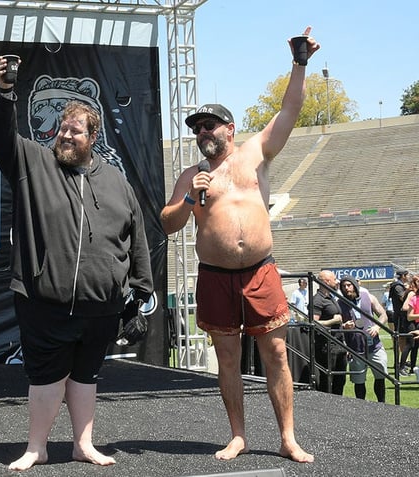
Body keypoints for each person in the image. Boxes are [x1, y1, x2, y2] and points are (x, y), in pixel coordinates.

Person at [159, 28, 318, 463]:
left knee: (277, 354)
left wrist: (299, 63)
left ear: (229, 128)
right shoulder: (191, 176)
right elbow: (167, 222)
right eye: (196, 128)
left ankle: (287, 437)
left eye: (209, 125)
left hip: (260, 272)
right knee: (227, 359)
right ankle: (238, 435)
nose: (202, 132)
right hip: (215, 277)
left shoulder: (255, 154)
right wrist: (191, 198)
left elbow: (290, 108)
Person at [0, 56, 154, 471]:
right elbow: (0, 138)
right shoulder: (33, 162)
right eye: (62, 129)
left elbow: (137, 239)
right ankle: (36, 447)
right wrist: (6, 94)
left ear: (92, 136)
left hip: (103, 304)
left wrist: (143, 291)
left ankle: (84, 445)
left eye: (74, 131)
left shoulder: (117, 182)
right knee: (45, 377)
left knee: (85, 377)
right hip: (45, 299)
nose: (64, 135)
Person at [337, 275, 389, 402]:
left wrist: (377, 327)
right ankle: (361, 408)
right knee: (359, 381)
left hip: (375, 346)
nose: (346, 288)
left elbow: (383, 315)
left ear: (355, 285)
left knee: (380, 377)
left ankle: (382, 405)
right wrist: (344, 326)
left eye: (349, 285)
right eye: (344, 286)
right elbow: (337, 326)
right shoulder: (339, 303)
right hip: (355, 348)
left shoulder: (369, 297)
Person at [310, 270, 347, 395]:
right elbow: (313, 323)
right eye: (334, 279)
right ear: (326, 282)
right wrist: (333, 321)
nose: (337, 282)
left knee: (340, 380)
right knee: (328, 380)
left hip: (338, 343)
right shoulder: (317, 300)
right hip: (327, 346)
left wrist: (343, 324)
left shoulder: (331, 297)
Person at [390, 268, 411, 375]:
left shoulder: (400, 285)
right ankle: (398, 364)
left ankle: (403, 362)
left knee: (403, 339)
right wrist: (409, 290)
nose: (408, 277)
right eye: (407, 275)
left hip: (402, 316)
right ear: (403, 276)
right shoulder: (397, 286)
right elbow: (402, 298)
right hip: (399, 317)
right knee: (399, 339)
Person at [398, 274, 419, 374]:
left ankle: (413, 367)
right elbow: (404, 307)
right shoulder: (412, 294)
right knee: (410, 344)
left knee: (415, 345)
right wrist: (415, 310)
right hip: (409, 322)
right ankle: (401, 367)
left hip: (413, 321)